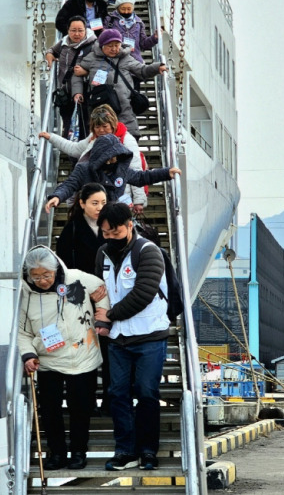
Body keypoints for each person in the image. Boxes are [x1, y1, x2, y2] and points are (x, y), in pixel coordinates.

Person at [18, 245, 110, 470]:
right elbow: (22, 331)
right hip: (48, 360)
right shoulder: (26, 295)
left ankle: (79, 451)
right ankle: (56, 453)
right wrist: (28, 354)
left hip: (82, 356)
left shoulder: (75, 279)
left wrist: (103, 314)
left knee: (80, 408)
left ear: (55, 269)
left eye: (46, 275)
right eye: (36, 276)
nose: (41, 281)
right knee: (50, 410)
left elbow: (102, 288)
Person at [94, 202, 170, 471]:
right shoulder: (103, 253)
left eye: (115, 233)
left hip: (149, 335)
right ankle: (125, 450)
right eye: (106, 233)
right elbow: (100, 291)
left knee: (148, 393)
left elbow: (143, 294)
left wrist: (109, 316)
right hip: (118, 339)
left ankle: (148, 450)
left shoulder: (149, 252)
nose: (110, 238)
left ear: (129, 225)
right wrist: (101, 319)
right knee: (118, 395)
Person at [39, 104, 147, 213]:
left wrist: (139, 201)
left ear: (113, 124)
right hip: (93, 196)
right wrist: (51, 137)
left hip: (118, 196)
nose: (101, 130)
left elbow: (136, 170)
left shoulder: (127, 140)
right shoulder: (93, 139)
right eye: (97, 127)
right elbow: (74, 148)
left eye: (105, 126)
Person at [45, 133, 181, 213]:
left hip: (113, 216)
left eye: (114, 157)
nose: (111, 161)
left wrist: (166, 173)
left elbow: (141, 177)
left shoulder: (121, 169)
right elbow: (69, 185)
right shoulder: (84, 169)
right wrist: (57, 196)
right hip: (88, 216)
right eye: (107, 158)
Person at [70, 28, 167, 138]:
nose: (114, 49)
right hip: (100, 107)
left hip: (124, 105)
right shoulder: (92, 58)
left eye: (117, 45)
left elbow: (142, 70)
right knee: (101, 141)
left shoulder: (126, 58)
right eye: (110, 46)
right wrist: (77, 92)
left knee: (128, 139)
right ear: (102, 45)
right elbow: (76, 74)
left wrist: (157, 67)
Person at [46, 16, 96, 139]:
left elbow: (100, 65)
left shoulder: (93, 45)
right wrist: (50, 56)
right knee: (68, 124)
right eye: (73, 30)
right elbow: (52, 50)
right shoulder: (64, 43)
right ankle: (71, 153)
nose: (77, 34)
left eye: (80, 30)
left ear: (86, 30)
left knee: (84, 123)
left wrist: (85, 71)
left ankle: (83, 152)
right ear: (68, 30)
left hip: (85, 92)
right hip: (66, 91)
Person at [104, 0, 158, 64]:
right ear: (117, 8)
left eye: (129, 9)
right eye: (123, 9)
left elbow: (144, 44)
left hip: (135, 61)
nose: (126, 12)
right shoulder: (109, 20)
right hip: (115, 61)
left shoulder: (139, 22)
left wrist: (154, 38)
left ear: (133, 8)